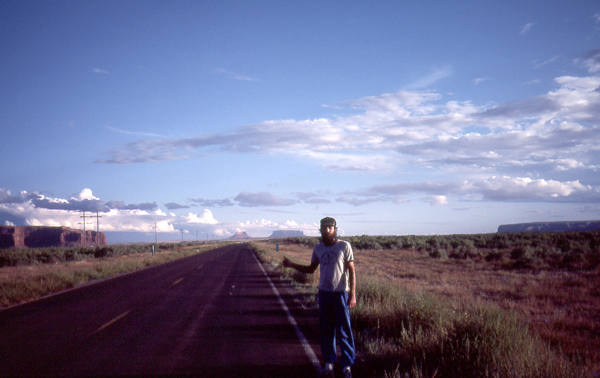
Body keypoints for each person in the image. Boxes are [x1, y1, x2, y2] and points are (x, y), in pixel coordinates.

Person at [283, 217, 356, 378]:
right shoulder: (318, 248)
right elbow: (311, 269)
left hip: (341, 294)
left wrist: (352, 294)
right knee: (327, 330)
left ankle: (347, 366)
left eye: (330, 227)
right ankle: (328, 364)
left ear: (335, 229)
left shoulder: (344, 246)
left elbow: (352, 270)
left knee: (344, 330)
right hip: (324, 294)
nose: (327, 230)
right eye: (324, 227)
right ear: (321, 230)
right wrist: (291, 264)